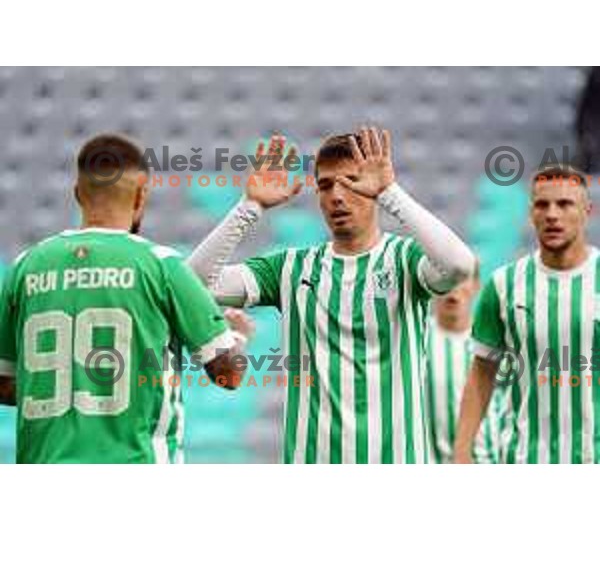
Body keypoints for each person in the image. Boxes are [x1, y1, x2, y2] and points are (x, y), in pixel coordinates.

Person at [188, 127, 476, 463]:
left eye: (351, 182)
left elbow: (459, 265)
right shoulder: (291, 268)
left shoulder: (404, 261)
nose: (336, 196)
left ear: (373, 189)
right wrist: (249, 206)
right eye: (325, 185)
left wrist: (391, 193)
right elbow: (194, 283)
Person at [0, 133, 248, 464]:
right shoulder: (161, 265)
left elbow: (4, 385)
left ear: (77, 194)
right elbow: (228, 375)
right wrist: (237, 336)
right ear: (140, 197)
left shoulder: (23, 268)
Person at [455, 164, 600, 464]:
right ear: (530, 213)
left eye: (564, 204)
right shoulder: (503, 285)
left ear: (587, 210)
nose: (552, 214)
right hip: (525, 460)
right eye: (542, 204)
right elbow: (481, 374)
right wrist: (461, 453)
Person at [425, 272, 506, 464]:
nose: (453, 290)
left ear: (476, 285)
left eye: (461, 280)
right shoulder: (415, 338)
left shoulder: (494, 342)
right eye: (445, 280)